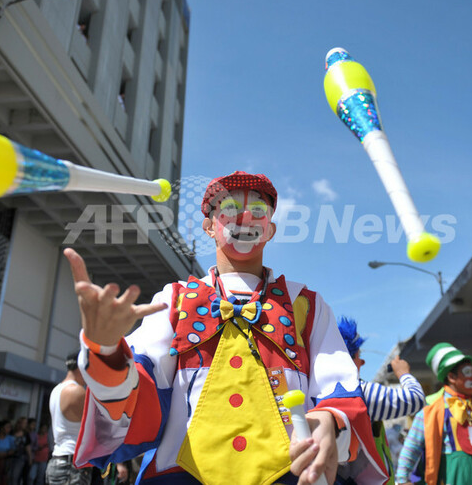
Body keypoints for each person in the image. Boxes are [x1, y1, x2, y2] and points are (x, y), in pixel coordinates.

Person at [66, 171, 387, 484]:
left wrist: (330, 419)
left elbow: (341, 392)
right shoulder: (175, 299)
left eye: (257, 210)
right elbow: (141, 386)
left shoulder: (306, 304)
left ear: (271, 229)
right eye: (230, 209)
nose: (245, 217)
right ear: (208, 226)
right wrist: (106, 352)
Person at [395, 343, 472, 485]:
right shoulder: (431, 412)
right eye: (467, 372)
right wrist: (402, 480)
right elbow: (411, 447)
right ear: (451, 377)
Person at [336, 317, 426, 484]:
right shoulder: (358, 391)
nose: (362, 362)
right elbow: (416, 399)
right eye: (358, 356)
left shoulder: (317, 390)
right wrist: (403, 373)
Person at [45, 351, 90, 485]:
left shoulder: (57, 390)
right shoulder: (77, 391)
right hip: (71, 465)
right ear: (82, 365)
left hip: (58, 459)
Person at [9, 417, 32, 485]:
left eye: (26, 423)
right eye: (24, 423)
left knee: (15, 476)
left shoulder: (26, 434)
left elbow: (28, 447)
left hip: (20, 457)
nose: (25, 424)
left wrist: (30, 458)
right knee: (8, 475)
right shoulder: (11, 432)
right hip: (8, 456)